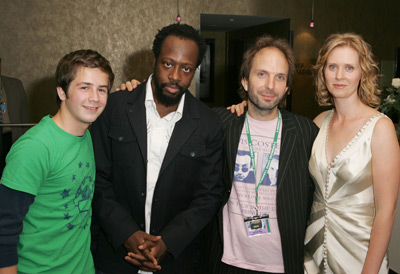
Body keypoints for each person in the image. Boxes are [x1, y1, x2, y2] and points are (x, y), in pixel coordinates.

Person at [122, 35, 319, 273]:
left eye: (280, 77)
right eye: (261, 74)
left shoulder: (306, 132)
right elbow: (171, 104)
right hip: (224, 261)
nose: (270, 85)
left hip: (282, 264)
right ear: (245, 81)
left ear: (287, 86)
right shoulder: (219, 123)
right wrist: (138, 89)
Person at [90, 23, 224, 274]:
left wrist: (168, 242)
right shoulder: (114, 107)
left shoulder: (208, 123)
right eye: (168, 64)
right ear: (155, 60)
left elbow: (209, 195)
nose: (175, 76)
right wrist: (126, 233)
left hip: (175, 262)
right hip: (115, 258)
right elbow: (97, 179)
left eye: (186, 68)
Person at [0, 49, 114, 274]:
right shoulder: (34, 147)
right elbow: (4, 231)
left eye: (102, 89)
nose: (95, 97)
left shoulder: (86, 135)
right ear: (62, 92)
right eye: (84, 87)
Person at [304, 33, 400, 274]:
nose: (339, 76)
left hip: (358, 257)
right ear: (323, 71)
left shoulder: (380, 128)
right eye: (332, 66)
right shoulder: (318, 122)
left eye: (349, 68)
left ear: (362, 73)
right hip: (310, 254)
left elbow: (386, 213)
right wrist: (246, 109)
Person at [0, 57, 29, 175]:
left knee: (11, 173)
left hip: (12, 138)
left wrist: (26, 142)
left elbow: (25, 116)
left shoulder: (15, 85)